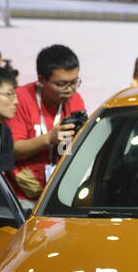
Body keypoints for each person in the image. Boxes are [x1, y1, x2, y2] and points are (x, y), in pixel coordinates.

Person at [8, 43, 86, 201]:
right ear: (41, 80)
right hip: (22, 197)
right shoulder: (19, 100)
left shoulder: (75, 100)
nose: (70, 90)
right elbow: (10, 151)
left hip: (59, 193)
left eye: (74, 82)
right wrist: (48, 139)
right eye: (61, 84)